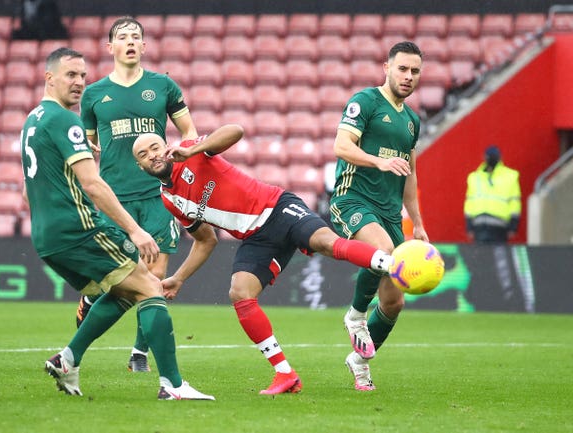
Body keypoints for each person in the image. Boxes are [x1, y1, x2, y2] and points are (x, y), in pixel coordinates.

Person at [131, 124, 395, 395]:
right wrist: (179, 278)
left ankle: (394, 266)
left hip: (277, 207)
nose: (152, 155)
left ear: (165, 146)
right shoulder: (169, 200)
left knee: (326, 243)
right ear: (140, 167)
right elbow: (206, 240)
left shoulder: (190, 151)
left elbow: (236, 131)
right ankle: (285, 374)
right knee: (240, 291)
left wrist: (195, 149)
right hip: (257, 237)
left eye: (154, 147)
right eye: (143, 154)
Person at [22, 47, 213, 400]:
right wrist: (135, 230)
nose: (79, 82)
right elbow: (93, 185)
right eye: (70, 75)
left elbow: (25, 190)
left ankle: (67, 360)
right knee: (150, 287)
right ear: (49, 78)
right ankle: (172, 385)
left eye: (82, 75)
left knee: (125, 291)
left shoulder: (32, 121)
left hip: (45, 236)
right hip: (78, 229)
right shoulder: (65, 120)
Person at [78, 16, 199, 373]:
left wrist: (183, 151)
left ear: (144, 47)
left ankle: (139, 353)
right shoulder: (94, 94)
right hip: (114, 198)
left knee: (155, 275)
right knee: (116, 278)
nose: (130, 41)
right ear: (110, 47)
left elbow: (189, 130)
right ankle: (90, 296)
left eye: (136, 37)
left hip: (158, 194)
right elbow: (89, 140)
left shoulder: (163, 86)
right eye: (122, 37)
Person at [328, 41, 428, 391]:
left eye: (415, 71)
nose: (408, 76)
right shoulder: (365, 102)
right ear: (387, 67)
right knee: (382, 250)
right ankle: (355, 316)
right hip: (352, 199)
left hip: (388, 211)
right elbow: (341, 146)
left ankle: (359, 362)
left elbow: (410, 174)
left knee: (394, 302)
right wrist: (378, 161)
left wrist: (418, 222)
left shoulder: (412, 121)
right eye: (402, 68)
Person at [464, 145, 521, 243]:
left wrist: (513, 226)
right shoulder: (475, 177)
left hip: (500, 226)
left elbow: (514, 203)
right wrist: (469, 225)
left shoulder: (510, 176)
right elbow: (469, 203)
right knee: (480, 255)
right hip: (479, 225)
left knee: (497, 255)